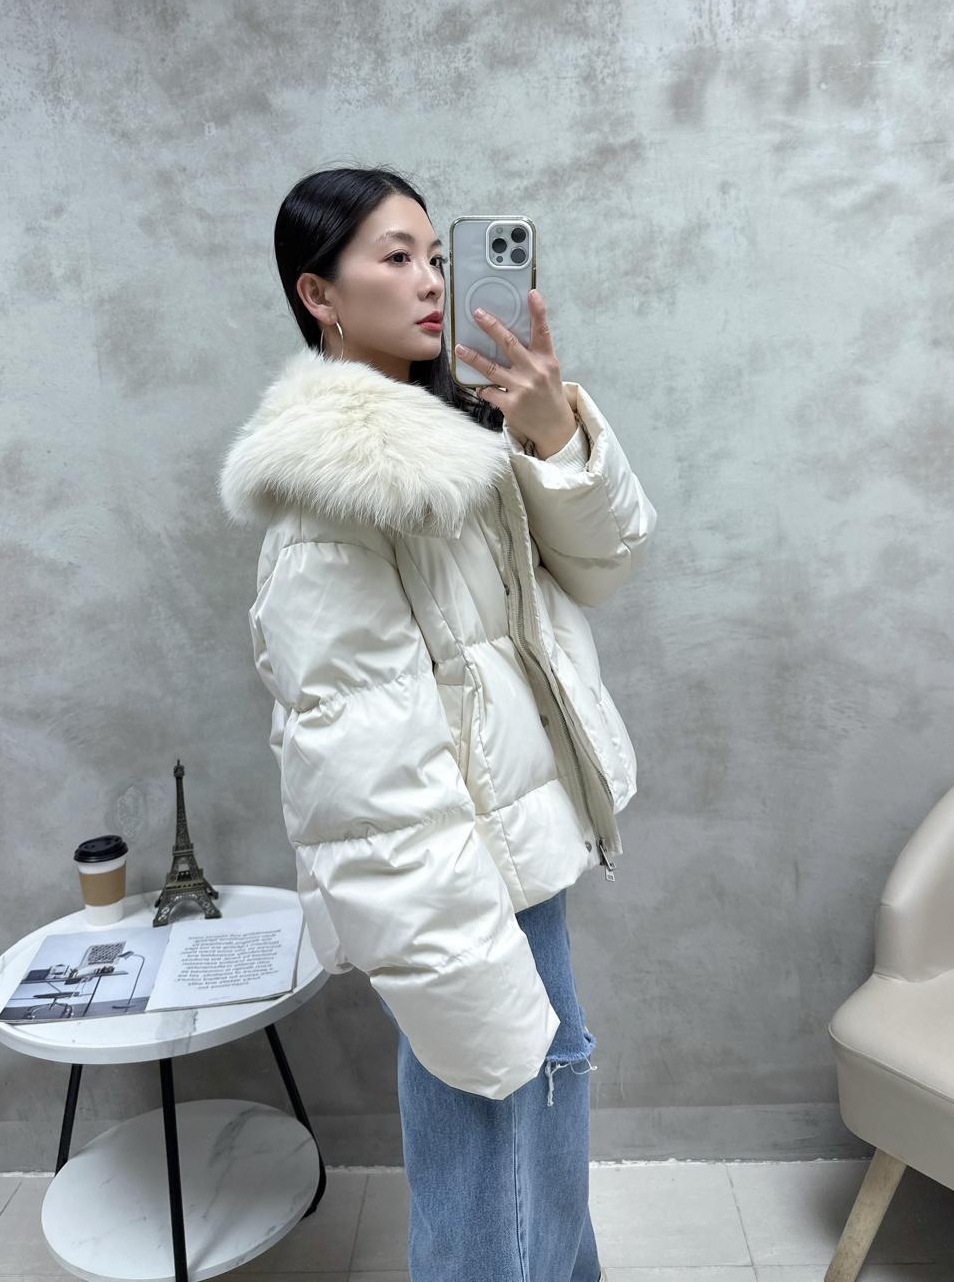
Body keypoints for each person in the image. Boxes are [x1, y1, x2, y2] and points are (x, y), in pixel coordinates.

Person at [218, 166, 657, 1281]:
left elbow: (602, 568)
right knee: (494, 1178)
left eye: (436, 255)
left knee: (536, 1159)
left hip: (519, 851)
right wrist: (465, 970)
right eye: (395, 256)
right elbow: (365, 775)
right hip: (465, 887)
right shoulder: (337, 492)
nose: (430, 281)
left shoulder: (464, 434)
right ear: (319, 294)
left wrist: (554, 435)